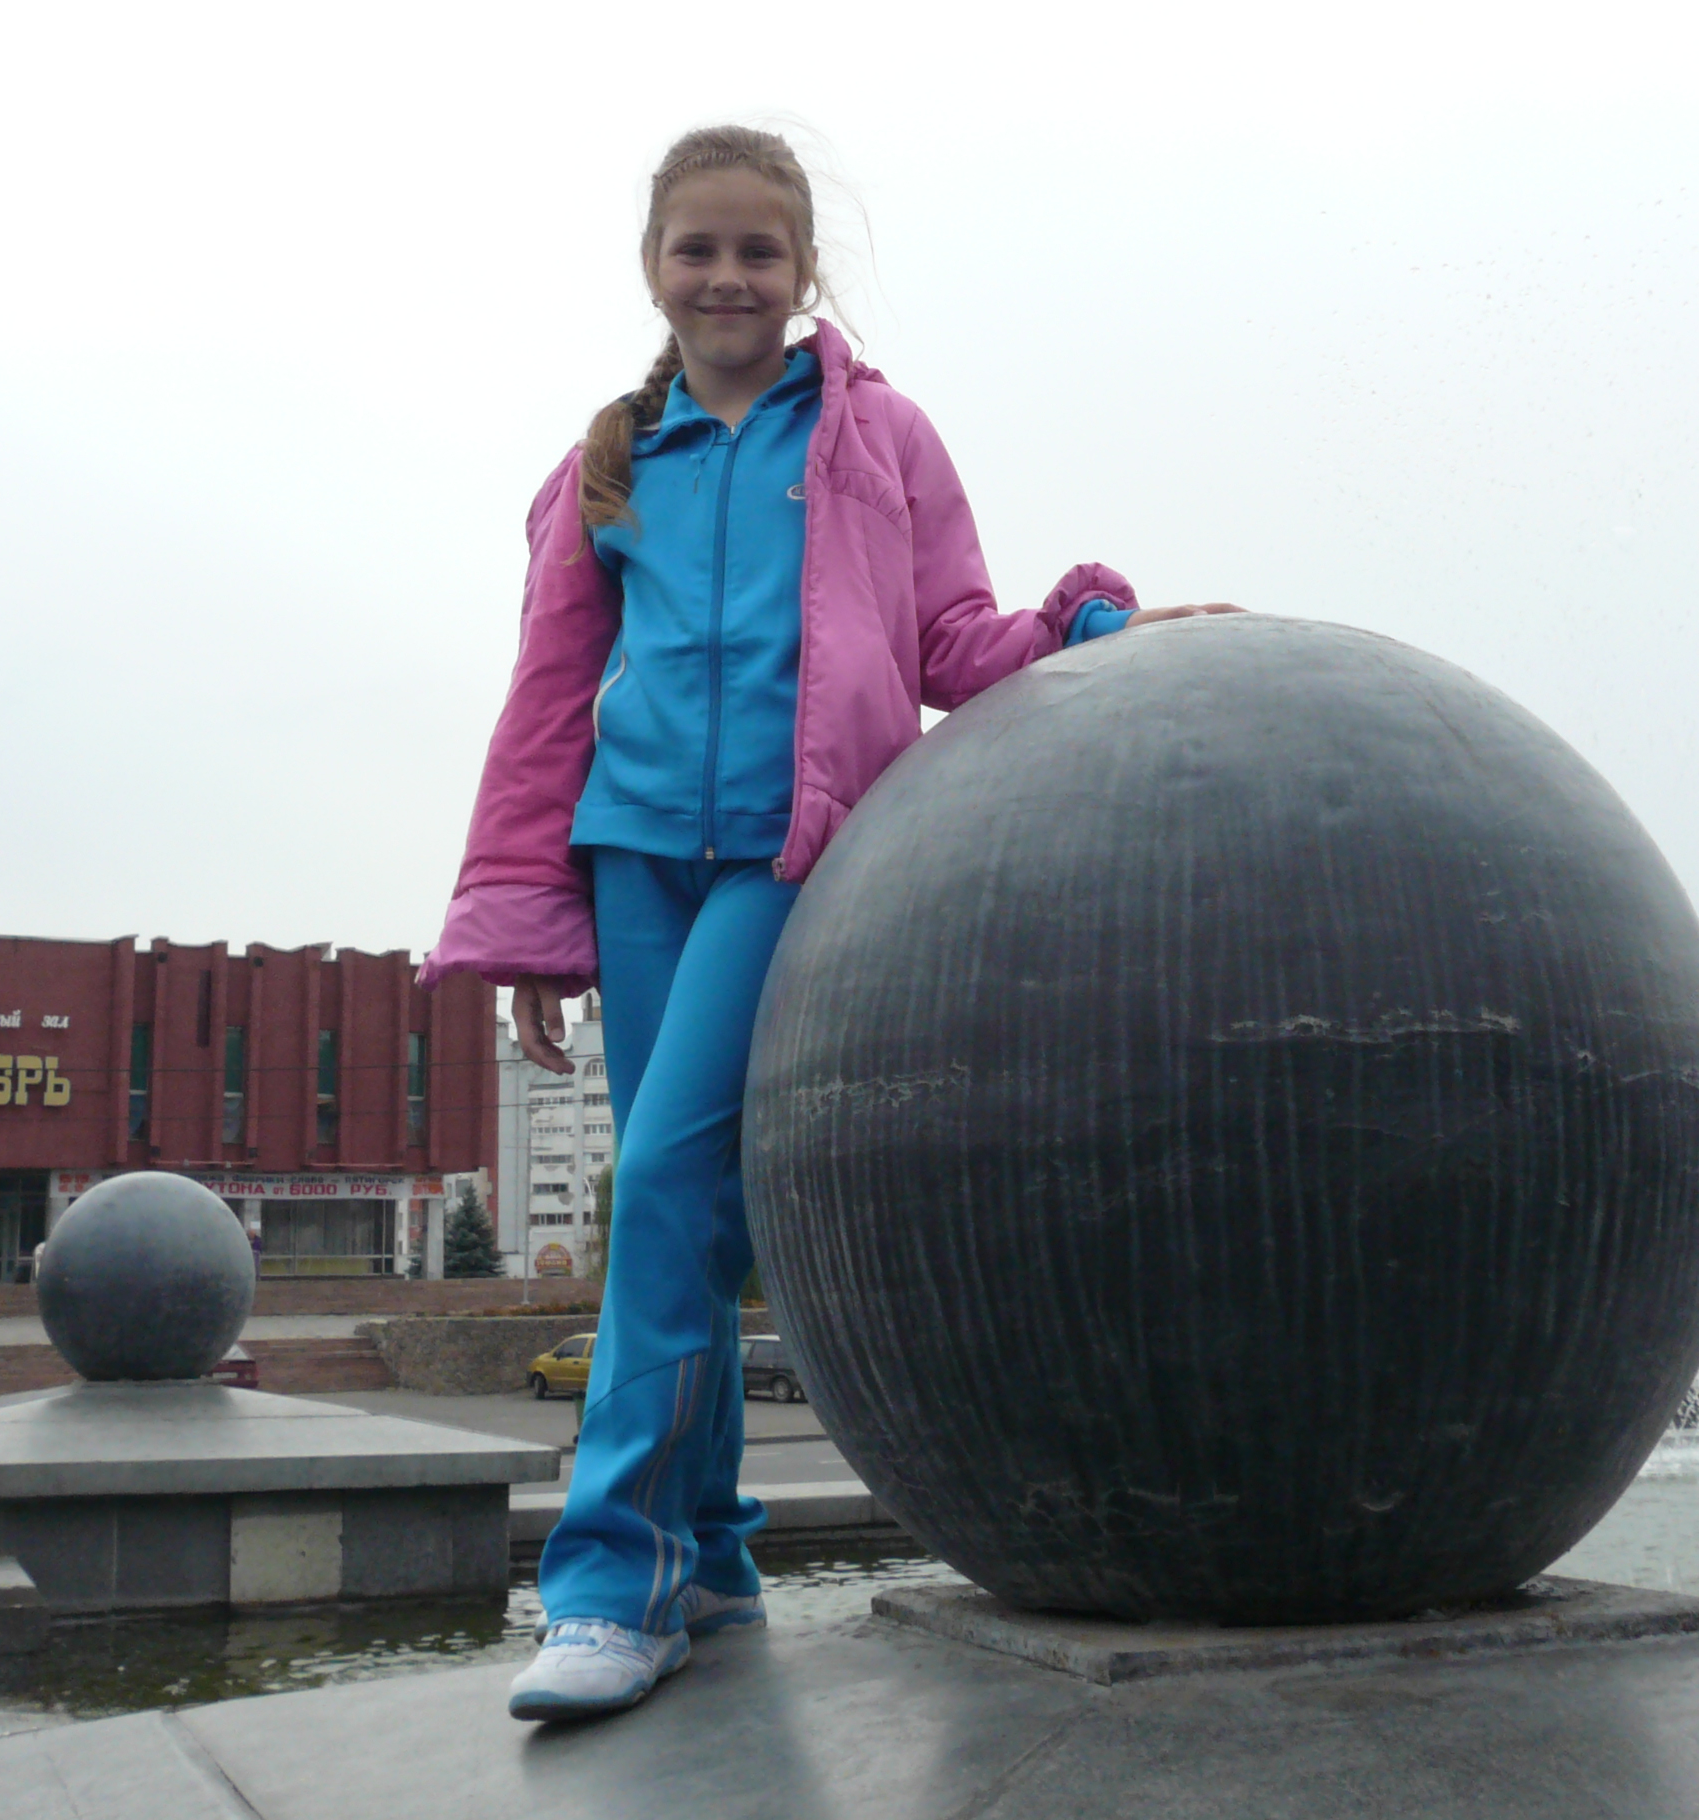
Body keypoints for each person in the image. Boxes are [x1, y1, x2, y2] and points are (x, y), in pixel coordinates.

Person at [420, 126, 1234, 1724]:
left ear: (803, 272)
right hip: (635, 859)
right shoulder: (606, 463)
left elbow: (946, 640)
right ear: (654, 268)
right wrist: (525, 921)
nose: (727, 276)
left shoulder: (879, 436)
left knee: (663, 1185)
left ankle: (611, 1582)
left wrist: (1092, 630)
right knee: (687, 1212)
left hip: (792, 852)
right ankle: (714, 1557)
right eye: (698, 249)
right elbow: (546, 702)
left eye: (759, 251)